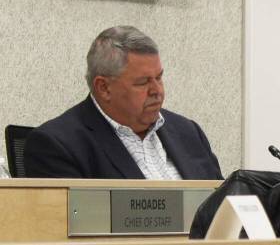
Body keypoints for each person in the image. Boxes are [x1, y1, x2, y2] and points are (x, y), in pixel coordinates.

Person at [24, 26, 222, 180]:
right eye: (143, 82)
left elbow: (222, 205)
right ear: (104, 88)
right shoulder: (58, 145)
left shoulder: (188, 132)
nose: (157, 91)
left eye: (159, 78)